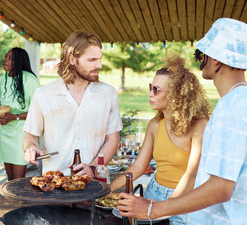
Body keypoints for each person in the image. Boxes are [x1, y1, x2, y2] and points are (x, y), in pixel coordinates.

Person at [118, 18, 247, 224]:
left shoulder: (232, 108)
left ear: (217, 60)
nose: (199, 59)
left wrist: (153, 208)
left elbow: (221, 188)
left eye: (202, 53)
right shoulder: (236, 102)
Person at [111, 55, 210, 224]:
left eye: (156, 89)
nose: (150, 93)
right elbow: (138, 166)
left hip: (185, 201)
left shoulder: (200, 125)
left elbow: (192, 174)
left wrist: (164, 206)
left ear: (176, 95)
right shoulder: (155, 125)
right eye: (151, 87)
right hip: (154, 193)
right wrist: (108, 189)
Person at [23, 30, 122, 177]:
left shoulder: (108, 94)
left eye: (99, 59)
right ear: (72, 59)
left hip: (95, 185)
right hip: (54, 184)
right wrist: (31, 148)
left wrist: (93, 169)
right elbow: (30, 136)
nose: (99, 65)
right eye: (92, 60)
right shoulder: (43, 94)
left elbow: (112, 138)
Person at [0, 47, 40, 180]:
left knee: (18, 179)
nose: (5, 60)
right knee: (9, 178)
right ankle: (12, 201)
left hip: (22, 133)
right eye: (5, 57)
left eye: (10, 58)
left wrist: (15, 117)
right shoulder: (1, 80)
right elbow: (0, 105)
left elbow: (37, 110)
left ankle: (21, 201)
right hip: (5, 132)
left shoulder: (29, 80)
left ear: (19, 61)